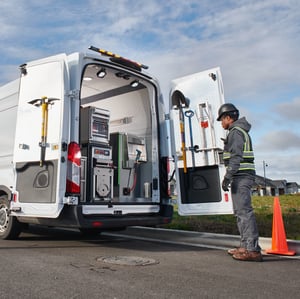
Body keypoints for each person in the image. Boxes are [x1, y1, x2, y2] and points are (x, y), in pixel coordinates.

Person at [217, 103, 262, 262]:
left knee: (244, 213)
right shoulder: (238, 132)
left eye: (222, 120)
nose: (221, 123)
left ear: (228, 118)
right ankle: (244, 246)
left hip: (241, 177)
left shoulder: (236, 132)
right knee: (240, 213)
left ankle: (252, 249)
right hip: (240, 176)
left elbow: (236, 158)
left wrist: (227, 176)